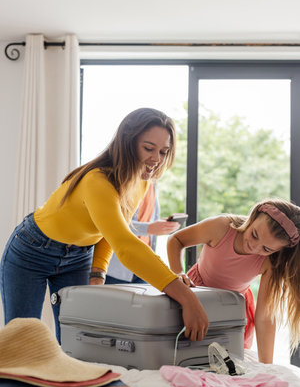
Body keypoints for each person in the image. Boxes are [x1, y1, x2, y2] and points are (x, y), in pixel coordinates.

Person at [0, 108, 208, 343]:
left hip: (78, 257)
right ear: (128, 143)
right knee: (23, 341)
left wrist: (98, 273)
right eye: (149, 149)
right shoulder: (97, 181)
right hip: (32, 250)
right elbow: (126, 245)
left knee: (74, 342)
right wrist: (187, 298)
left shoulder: (141, 182)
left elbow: (109, 233)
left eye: (163, 151)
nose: (157, 159)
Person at [167, 198, 300, 364]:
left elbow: (265, 318)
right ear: (253, 216)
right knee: (189, 354)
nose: (254, 247)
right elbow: (175, 240)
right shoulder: (221, 227)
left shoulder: (271, 262)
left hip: (233, 311)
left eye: (266, 249)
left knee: (229, 364)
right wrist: (177, 273)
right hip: (196, 296)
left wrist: (267, 366)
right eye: (254, 234)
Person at [106, 180, 180, 284]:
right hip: (118, 268)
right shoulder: (123, 181)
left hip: (144, 265)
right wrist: (148, 228)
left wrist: (160, 226)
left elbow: (148, 219)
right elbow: (112, 222)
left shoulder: (153, 183)